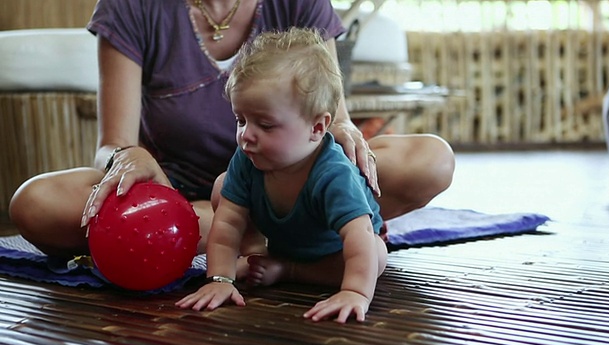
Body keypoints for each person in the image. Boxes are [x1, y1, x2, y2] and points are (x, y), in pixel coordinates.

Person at [9, 0, 454, 263]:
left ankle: (243, 232)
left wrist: (343, 132)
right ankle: (271, 237)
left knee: (430, 160)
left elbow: (331, 117)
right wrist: (126, 155)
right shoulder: (132, 6)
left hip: (295, 184)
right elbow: (112, 143)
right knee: (37, 204)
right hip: (178, 194)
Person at [176, 27, 387, 323]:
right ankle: (256, 258)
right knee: (224, 188)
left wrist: (355, 292)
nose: (245, 135)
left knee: (375, 255)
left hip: (334, 254)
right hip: (283, 240)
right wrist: (219, 280)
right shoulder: (248, 158)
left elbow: (358, 236)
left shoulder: (333, 173)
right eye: (241, 120)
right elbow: (227, 224)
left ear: (317, 128)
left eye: (265, 124)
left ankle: (287, 269)